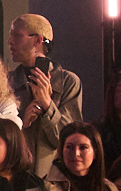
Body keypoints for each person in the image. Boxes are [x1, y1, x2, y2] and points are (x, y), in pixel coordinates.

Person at [7, 13, 83, 175]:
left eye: (17, 36)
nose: (10, 41)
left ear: (38, 40)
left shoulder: (68, 82)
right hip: (16, 175)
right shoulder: (6, 83)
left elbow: (70, 140)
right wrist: (21, 122)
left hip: (55, 180)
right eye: (10, 36)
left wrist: (48, 105)